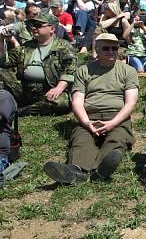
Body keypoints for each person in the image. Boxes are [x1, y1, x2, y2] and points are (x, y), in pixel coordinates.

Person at [44, 33, 137, 184]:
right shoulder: (84, 70)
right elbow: (77, 101)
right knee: (81, 140)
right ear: (97, 50)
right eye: (106, 48)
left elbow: (130, 102)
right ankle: (75, 171)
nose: (111, 51)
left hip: (117, 116)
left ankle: (102, 169)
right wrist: (86, 122)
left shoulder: (128, 70)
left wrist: (112, 123)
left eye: (114, 48)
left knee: (117, 138)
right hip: (90, 116)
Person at [0, 12, 76, 116]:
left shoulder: (64, 47)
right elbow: (4, 62)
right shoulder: (27, 46)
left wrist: (59, 88)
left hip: (49, 89)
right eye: (32, 25)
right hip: (25, 88)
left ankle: (22, 111)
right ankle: (20, 105)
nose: (34, 28)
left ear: (52, 29)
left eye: (38, 25)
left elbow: (70, 70)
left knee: (61, 103)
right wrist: (1, 39)